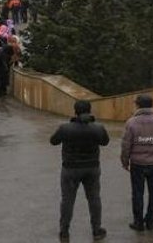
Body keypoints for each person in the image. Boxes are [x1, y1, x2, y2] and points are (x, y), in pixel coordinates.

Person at [50, 100, 109, 241]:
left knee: (67, 200)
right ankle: (96, 230)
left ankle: (64, 231)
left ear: (75, 111)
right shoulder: (98, 128)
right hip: (92, 168)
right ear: (90, 111)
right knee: (94, 199)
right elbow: (105, 142)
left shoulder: (65, 128)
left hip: (70, 168)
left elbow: (53, 141)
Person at [121, 95, 153, 232]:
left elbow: (126, 145)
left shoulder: (131, 123)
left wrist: (125, 162)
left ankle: (138, 223)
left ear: (138, 105)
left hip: (137, 164)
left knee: (137, 193)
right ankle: (150, 222)